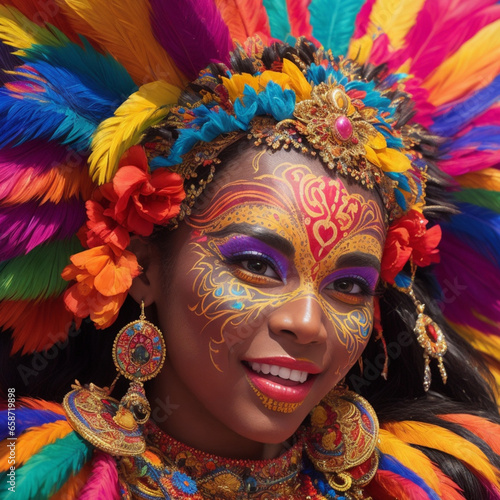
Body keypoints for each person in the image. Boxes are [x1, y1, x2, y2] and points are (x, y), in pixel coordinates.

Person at [0, 1, 500, 499]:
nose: (307, 322)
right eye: (256, 265)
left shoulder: (428, 485)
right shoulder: (34, 475)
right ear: (146, 266)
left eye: (348, 286)